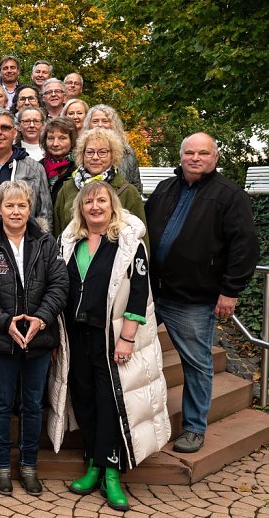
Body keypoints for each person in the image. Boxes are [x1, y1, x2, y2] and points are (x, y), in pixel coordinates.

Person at [49, 180, 170, 512]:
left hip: (112, 337)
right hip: (76, 335)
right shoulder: (68, 241)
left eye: (101, 201)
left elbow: (139, 291)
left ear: (112, 205)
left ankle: (112, 471)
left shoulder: (129, 244)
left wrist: (127, 337)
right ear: (80, 208)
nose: (95, 207)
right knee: (84, 398)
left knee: (111, 402)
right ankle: (93, 464)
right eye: (88, 202)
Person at [145, 132, 259, 454]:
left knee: (196, 365)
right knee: (134, 355)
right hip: (153, 293)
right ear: (180, 157)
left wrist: (230, 290)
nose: (196, 158)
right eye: (190, 153)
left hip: (193, 299)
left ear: (215, 157)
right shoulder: (166, 188)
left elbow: (246, 246)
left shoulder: (229, 195)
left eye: (203, 153)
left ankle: (194, 428)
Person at [0, 179, 68, 496]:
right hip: (0, 338)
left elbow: (60, 285)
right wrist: (4, 321)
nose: (15, 211)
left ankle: (28, 465)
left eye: (21, 204)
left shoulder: (46, 243)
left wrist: (40, 319)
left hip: (38, 338)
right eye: (9, 205)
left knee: (33, 405)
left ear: (31, 208)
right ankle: (0, 466)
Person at [52, 128, 147, 246]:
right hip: (71, 260)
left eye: (102, 152)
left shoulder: (128, 192)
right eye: (90, 152)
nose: (95, 157)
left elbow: (141, 237)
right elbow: (57, 231)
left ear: (113, 155)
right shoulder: (67, 188)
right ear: (82, 155)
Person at [0, 108, 53, 229]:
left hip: (25, 241)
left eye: (5, 128)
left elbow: (45, 214)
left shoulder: (35, 169)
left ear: (15, 132)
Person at [83, 104, 142, 192]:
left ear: (113, 124)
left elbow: (136, 185)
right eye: (95, 121)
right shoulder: (81, 150)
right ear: (89, 125)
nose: (100, 125)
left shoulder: (127, 152)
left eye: (105, 121)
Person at [39, 116, 79, 202]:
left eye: (62, 138)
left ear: (72, 140)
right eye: (50, 138)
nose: (55, 143)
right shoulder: (38, 167)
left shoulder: (79, 168)